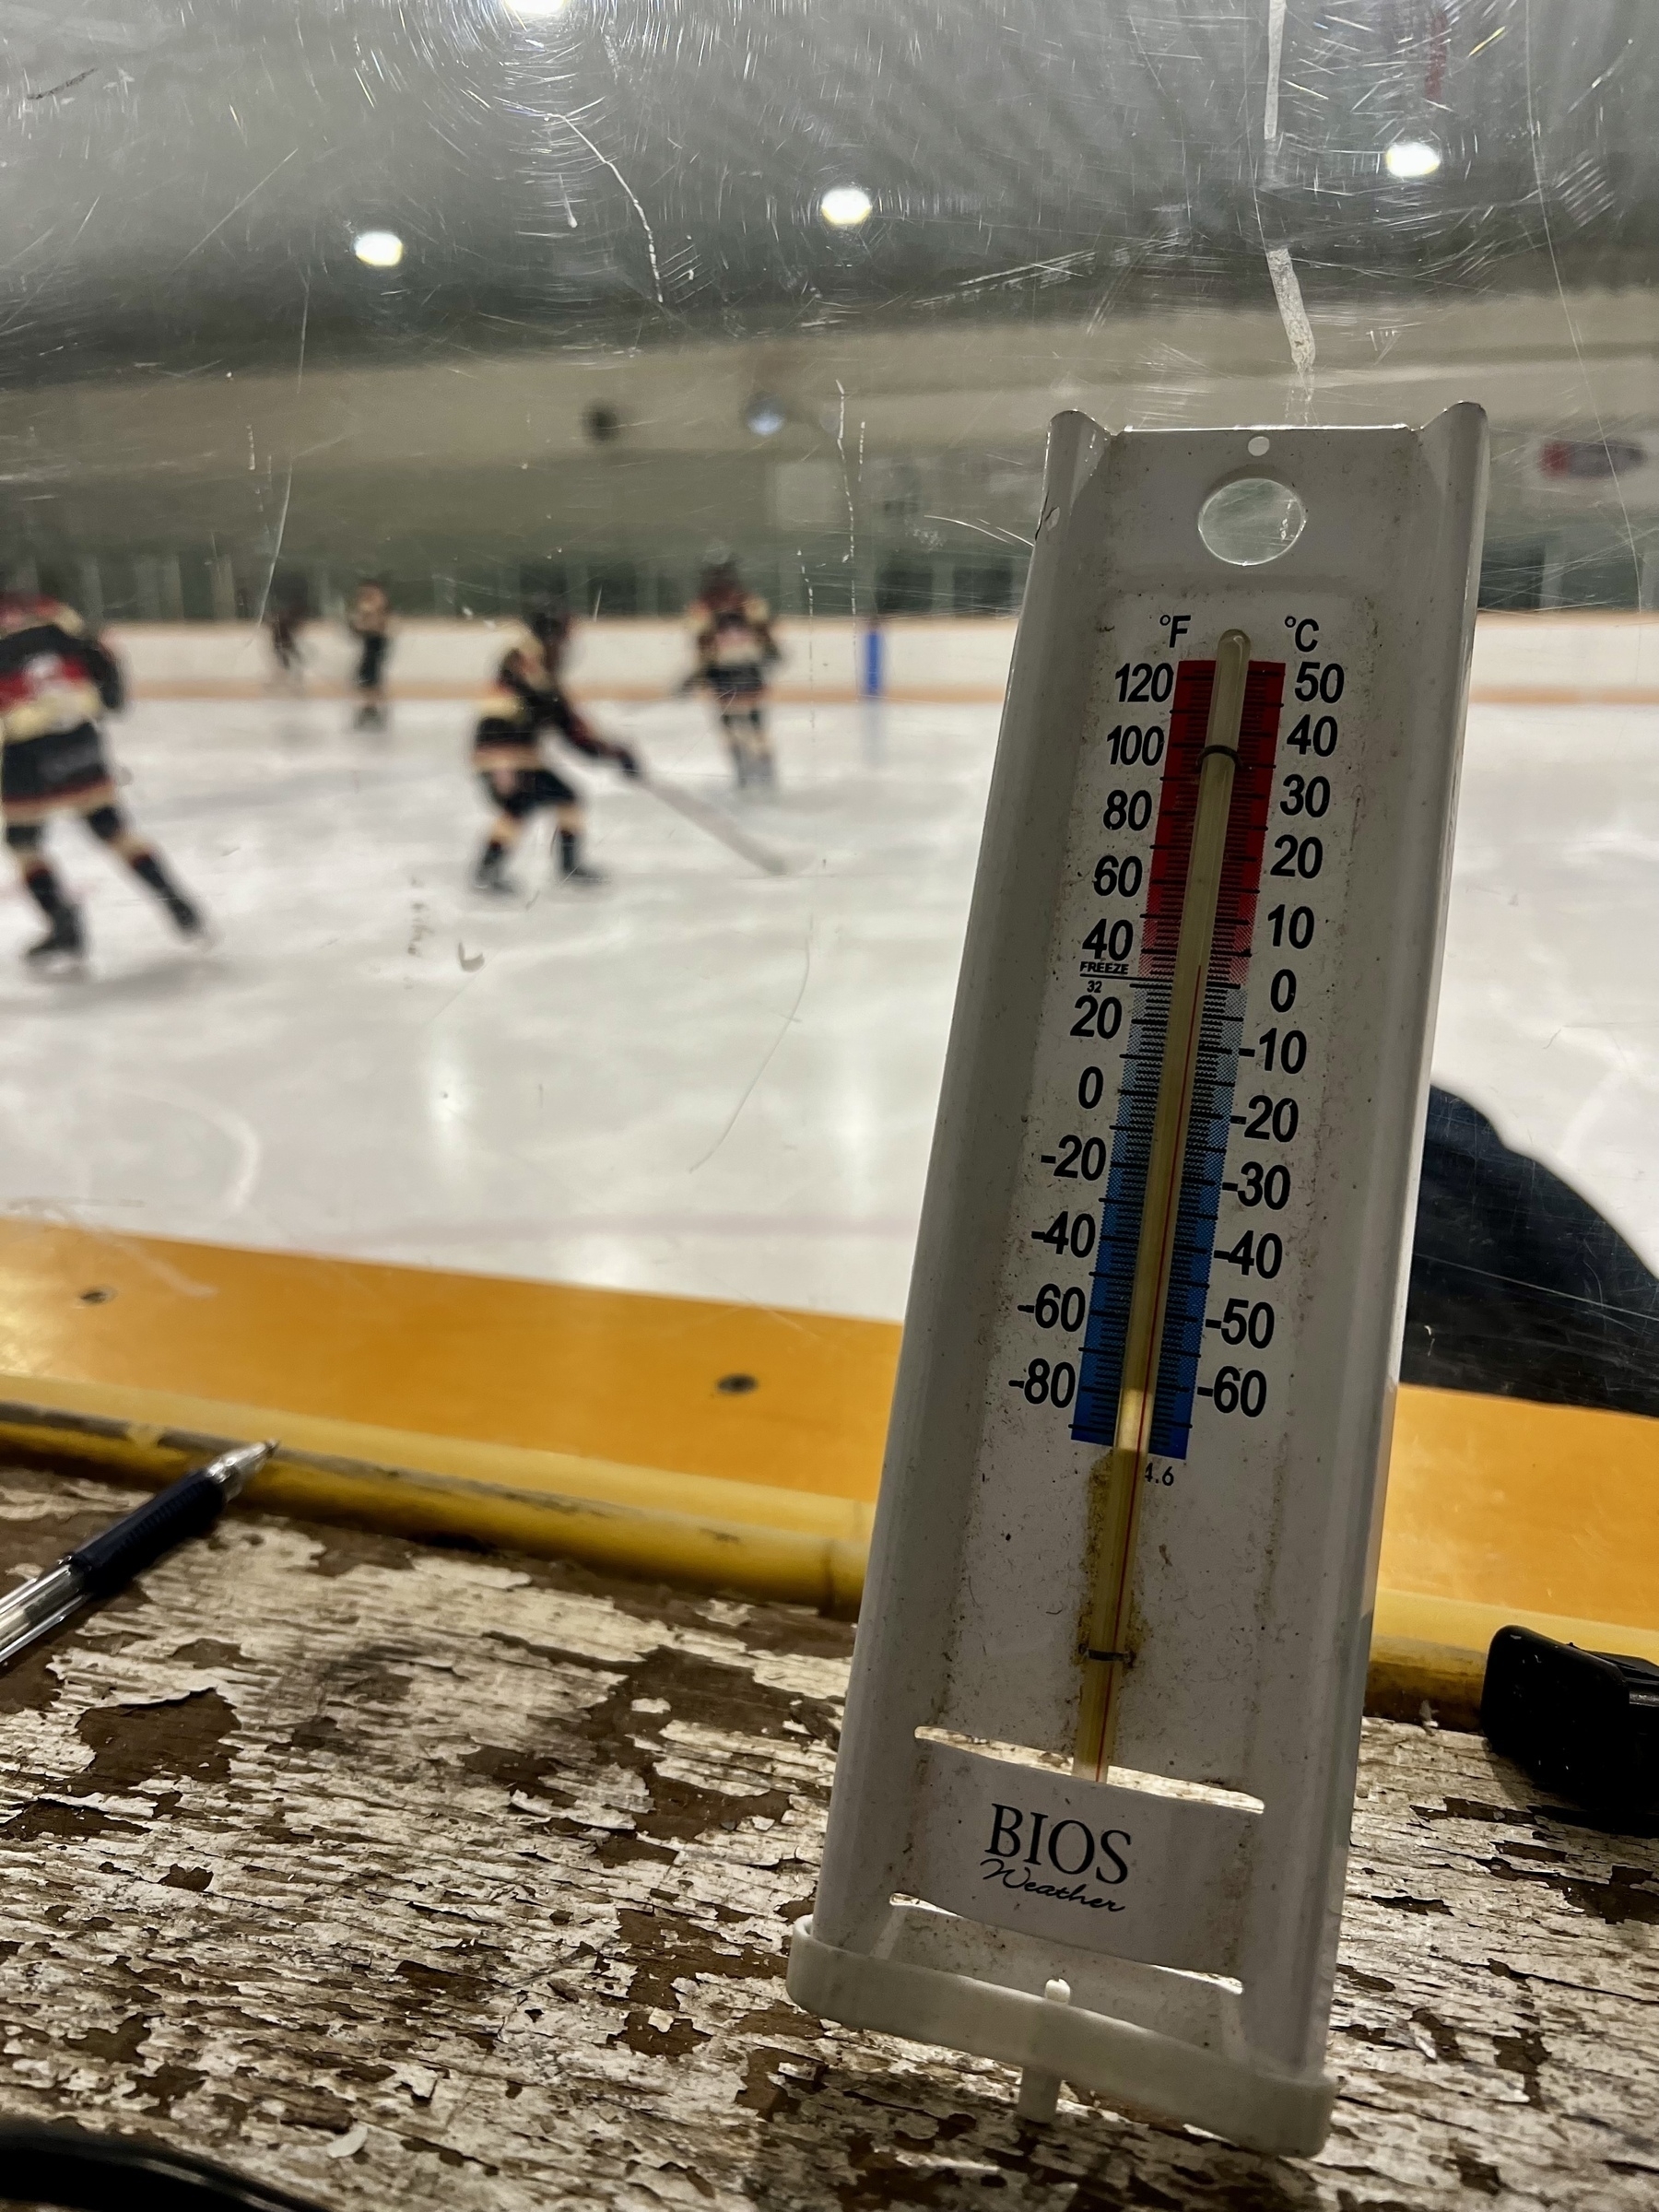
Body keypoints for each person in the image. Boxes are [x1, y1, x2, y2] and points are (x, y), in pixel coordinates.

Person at [1, 591, 206, 971]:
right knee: (110, 828)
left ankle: (64, 926)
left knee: (23, 842)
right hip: (80, 735)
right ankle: (175, 899)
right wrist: (111, 697)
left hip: (28, 746)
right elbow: (100, 657)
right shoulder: (51, 611)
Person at [471, 606, 638, 894]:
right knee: (533, 804)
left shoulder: (534, 669)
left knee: (546, 802)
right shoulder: (524, 663)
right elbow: (566, 722)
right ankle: (506, 870)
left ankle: (498, 870)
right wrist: (610, 752)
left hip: (512, 757)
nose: (568, 645)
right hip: (504, 758)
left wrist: (611, 753)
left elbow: (568, 725)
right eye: (564, 637)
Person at [685, 559, 780, 786]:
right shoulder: (744, 601)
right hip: (739, 666)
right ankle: (755, 767)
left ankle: (749, 768)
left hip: (729, 668)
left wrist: (699, 671)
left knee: (738, 720)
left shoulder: (706, 605)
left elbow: (701, 640)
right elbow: (764, 629)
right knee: (749, 720)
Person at [346, 581, 394, 730]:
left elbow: (374, 626)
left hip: (375, 643)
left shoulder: (375, 606)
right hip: (372, 643)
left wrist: (358, 626)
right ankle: (371, 709)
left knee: (370, 678)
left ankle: (371, 710)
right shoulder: (370, 606)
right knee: (367, 679)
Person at [265, 596, 309, 692]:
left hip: (284, 644)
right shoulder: (287, 619)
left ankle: (292, 683)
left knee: (290, 663)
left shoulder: (284, 618)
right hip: (281, 644)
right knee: (287, 664)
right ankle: (285, 683)